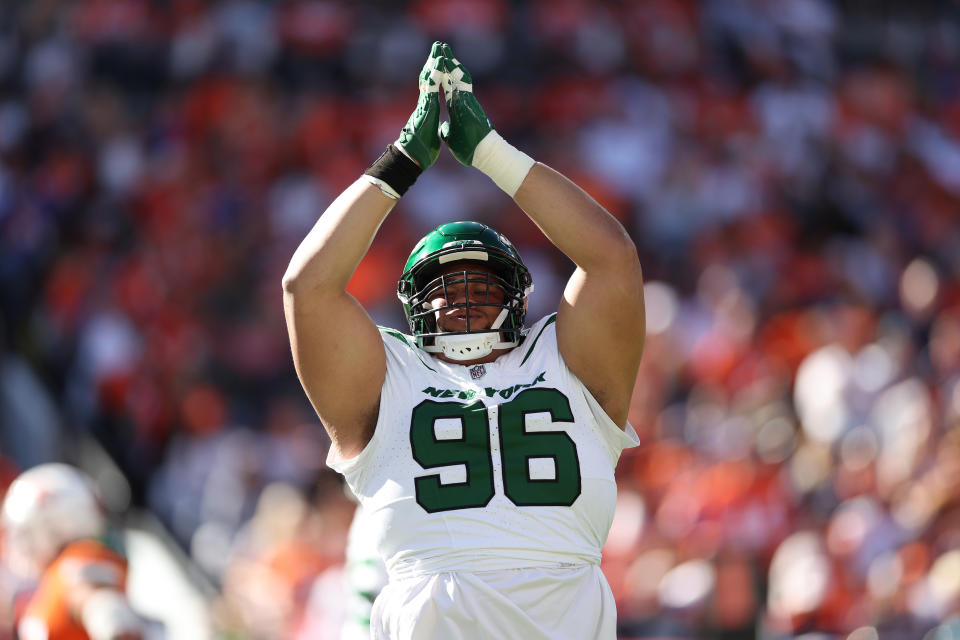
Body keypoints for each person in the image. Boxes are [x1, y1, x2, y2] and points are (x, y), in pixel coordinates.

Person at [283, 41, 645, 639]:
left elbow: (612, 259)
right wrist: (402, 160)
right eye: (443, 287)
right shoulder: (389, 373)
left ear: (518, 296)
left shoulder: (566, 358)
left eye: (481, 282)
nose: (461, 299)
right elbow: (306, 287)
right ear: (413, 304)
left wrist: (490, 153)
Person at [1, 463, 145, 640]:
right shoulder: (51, 580)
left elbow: (99, 604)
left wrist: (105, 613)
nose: (22, 544)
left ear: (54, 527)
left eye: (27, 533)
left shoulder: (77, 560)